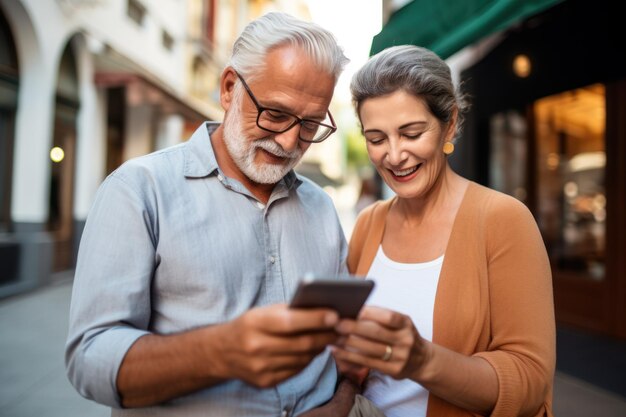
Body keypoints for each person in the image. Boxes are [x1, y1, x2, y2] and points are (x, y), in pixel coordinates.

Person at [65, 12, 353, 416]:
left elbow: (343, 344)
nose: (290, 141)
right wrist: (221, 352)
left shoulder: (321, 208)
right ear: (230, 87)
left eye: (309, 125)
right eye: (275, 113)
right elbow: (90, 361)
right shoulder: (139, 191)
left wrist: (340, 405)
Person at [330, 45, 556, 417]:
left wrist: (422, 360)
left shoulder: (503, 220)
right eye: (376, 139)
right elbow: (356, 360)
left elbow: (530, 380)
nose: (394, 155)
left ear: (449, 123)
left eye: (412, 132)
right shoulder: (369, 223)